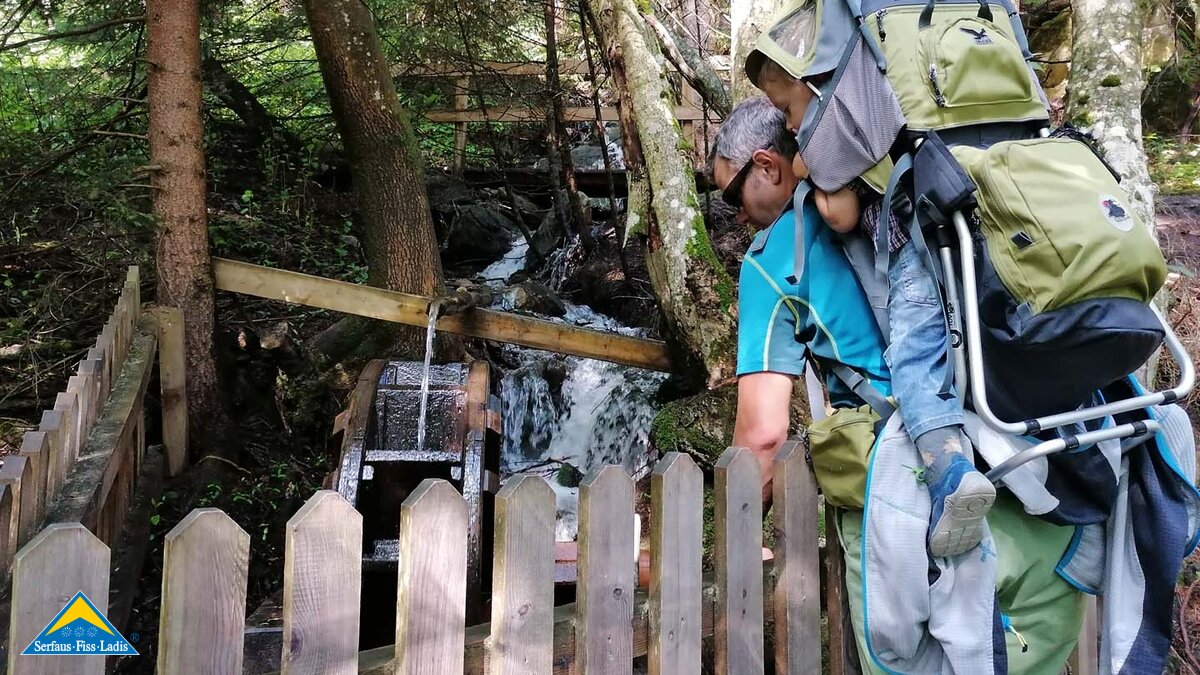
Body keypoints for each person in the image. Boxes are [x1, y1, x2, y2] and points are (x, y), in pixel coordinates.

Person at [711, 97, 1084, 674]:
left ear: (767, 164)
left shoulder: (774, 259)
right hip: (1032, 474)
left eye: (733, 195)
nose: (736, 216)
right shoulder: (921, 203)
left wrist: (736, 533)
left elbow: (762, 435)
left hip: (909, 510)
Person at [751, 55, 996, 558]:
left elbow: (840, 216)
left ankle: (949, 471)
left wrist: (809, 170)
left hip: (910, 266)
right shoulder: (880, 119)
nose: (790, 125)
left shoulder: (835, 148)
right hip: (956, 251)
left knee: (913, 364)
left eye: (789, 109)